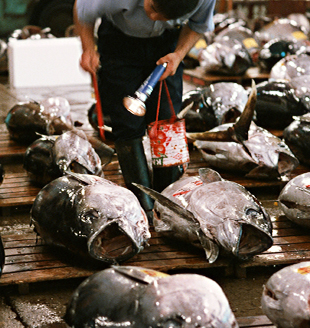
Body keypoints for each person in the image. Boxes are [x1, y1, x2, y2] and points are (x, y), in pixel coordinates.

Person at [73, 0, 215, 212]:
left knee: (167, 120)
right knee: (127, 123)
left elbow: (197, 24)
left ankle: (168, 201)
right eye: (154, 10)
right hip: (119, 43)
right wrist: (87, 49)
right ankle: (142, 204)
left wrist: (179, 54)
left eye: (165, 17)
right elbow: (83, 11)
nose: (154, 19)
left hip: (167, 43)